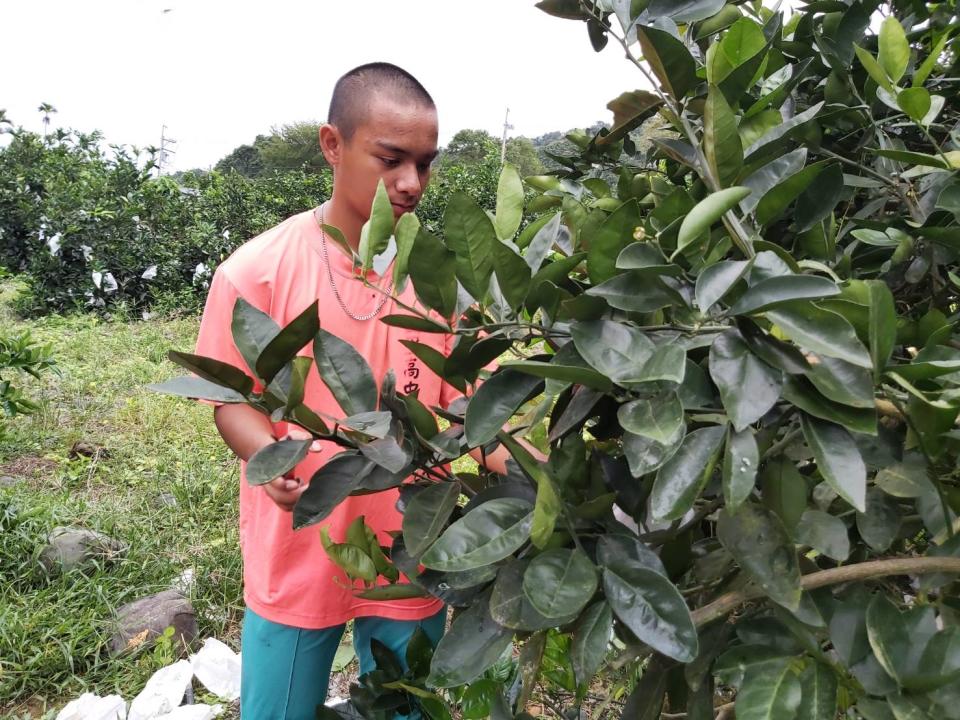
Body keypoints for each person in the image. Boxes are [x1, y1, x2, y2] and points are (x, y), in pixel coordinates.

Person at [194, 63, 513, 719]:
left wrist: (539, 491)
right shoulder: (258, 271)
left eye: (424, 164)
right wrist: (269, 458)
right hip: (298, 546)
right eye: (391, 159)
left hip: (409, 550)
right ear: (333, 145)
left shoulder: (440, 284)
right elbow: (232, 400)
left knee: (406, 705)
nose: (411, 184)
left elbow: (483, 412)